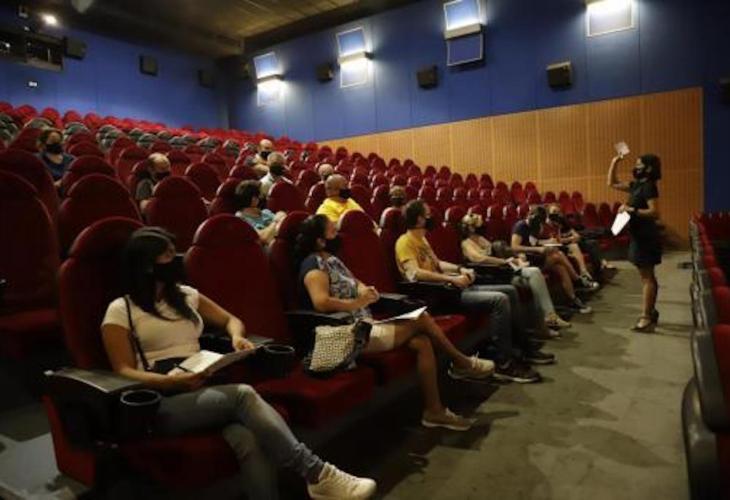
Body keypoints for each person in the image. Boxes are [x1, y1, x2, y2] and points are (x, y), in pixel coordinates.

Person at [101, 227, 376, 500]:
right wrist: (173, 382)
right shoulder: (121, 309)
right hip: (163, 400)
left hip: (201, 386)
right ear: (148, 265)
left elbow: (231, 320)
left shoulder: (185, 296)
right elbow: (123, 370)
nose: (177, 259)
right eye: (168, 255)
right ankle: (317, 473)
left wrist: (236, 337)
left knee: (246, 439)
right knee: (243, 394)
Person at [296, 215, 495, 431]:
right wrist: (356, 303)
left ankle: (434, 411)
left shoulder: (333, 260)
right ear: (320, 241)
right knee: (420, 318)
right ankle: (461, 362)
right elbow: (321, 302)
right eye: (332, 231)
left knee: (422, 343)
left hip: (364, 324)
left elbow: (356, 283)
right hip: (347, 335)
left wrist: (366, 291)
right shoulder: (313, 265)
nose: (338, 233)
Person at [395, 200, 544, 383]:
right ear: (419, 219)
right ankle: (503, 363)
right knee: (500, 300)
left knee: (510, 291)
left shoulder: (422, 239)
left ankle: (523, 349)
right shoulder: (404, 242)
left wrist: (460, 269)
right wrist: (451, 279)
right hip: (437, 296)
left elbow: (437, 264)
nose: (431, 217)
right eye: (428, 214)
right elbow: (414, 273)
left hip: (451, 288)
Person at [459, 212, 571, 334]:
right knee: (534, 278)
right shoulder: (466, 243)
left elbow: (496, 251)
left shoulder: (481, 239)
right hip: (493, 275)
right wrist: (505, 261)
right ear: (471, 228)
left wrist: (515, 257)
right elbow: (480, 259)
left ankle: (547, 320)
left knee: (535, 274)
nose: (483, 226)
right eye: (480, 224)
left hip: (504, 270)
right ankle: (544, 323)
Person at [608, 152, 662, 332]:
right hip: (638, 235)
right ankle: (651, 311)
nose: (636, 168)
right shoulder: (637, 185)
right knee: (648, 276)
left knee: (647, 278)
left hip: (646, 237)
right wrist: (615, 161)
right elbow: (612, 183)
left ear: (648, 168)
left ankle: (646, 318)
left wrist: (631, 209)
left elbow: (655, 212)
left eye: (639, 165)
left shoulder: (649, 186)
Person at [511, 206, 592, 314]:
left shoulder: (536, 226)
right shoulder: (521, 226)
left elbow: (535, 242)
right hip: (526, 260)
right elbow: (514, 247)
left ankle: (573, 300)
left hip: (536, 256)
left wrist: (547, 244)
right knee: (557, 255)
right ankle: (577, 280)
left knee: (561, 268)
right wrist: (537, 249)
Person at [545, 204, 615, 283]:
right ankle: (592, 270)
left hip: (574, 241)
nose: (556, 214)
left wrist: (573, 237)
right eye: (554, 212)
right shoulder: (549, 224)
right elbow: (558, 241)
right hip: (567, 245)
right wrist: (569, 238)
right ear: (548, 214)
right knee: (581, 241)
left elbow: (575, 234)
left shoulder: (563, 221)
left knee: (593, 243)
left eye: (558, 212)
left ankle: (598, 272)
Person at [233, 180, 286, 246]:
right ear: (253, 199)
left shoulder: (266, 212)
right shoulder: (241, 218)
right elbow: (264, 237)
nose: (262, 197)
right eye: (259, 194)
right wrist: (276, 221)